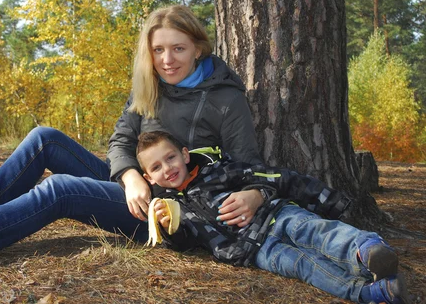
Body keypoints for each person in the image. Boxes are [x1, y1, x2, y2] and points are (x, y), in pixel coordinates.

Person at [0, 5, 265, 264]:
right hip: (134, 189)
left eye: (177, 49)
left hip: (172, 211)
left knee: (61, 190)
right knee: (45, 137)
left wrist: (255, 192)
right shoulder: (150, 85)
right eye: (158, 51)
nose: (166, 60)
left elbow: (250, 167)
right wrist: (128, 177)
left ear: (197, 47)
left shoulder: (225, 99)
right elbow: (121, 140)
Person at [136, 130, 410, 304]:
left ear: (185, 155)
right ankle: (372, 293)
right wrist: (168, 227)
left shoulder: (218, 171)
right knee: (305, 267)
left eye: (170, 158)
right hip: (255, 251)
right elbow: (186, 242)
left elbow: (271, 177)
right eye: (157, 167)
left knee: (315, 230)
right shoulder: (170, 205)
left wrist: (330, 200)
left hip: (276, 214)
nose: (167, 169)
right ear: (149, 178)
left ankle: (364, 250)